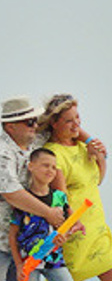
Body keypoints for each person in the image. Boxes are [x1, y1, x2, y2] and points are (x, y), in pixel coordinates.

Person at [37, 93, 112, 281]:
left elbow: (97, 180)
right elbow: (60, 194)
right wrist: (71, 219)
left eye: (78, 118)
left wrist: (99, 158)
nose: (76, 124)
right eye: (69, 120)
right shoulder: (53, 153)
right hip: (75, 225)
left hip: (97, 225)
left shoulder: (84, 146)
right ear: (54, 123)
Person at [7, 149, 81, 281]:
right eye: (45, 165)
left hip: (54, 258)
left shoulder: (59, 197)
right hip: (28, 260)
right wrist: (19, 265)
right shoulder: (24, 200)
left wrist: (65, 237)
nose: (50, 170)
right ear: (31, 166)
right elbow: (13, 235)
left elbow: (68, 226)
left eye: (54, 167)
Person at [1, 95, 62, 240]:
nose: (35, 125)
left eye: (35, 120)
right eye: (29, 122)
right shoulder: (2, 152)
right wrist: (48, 213)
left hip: (26, 242)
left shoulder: (33, 142)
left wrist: (90, 141)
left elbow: (61, 122)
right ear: (10, 127)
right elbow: (12, 192)